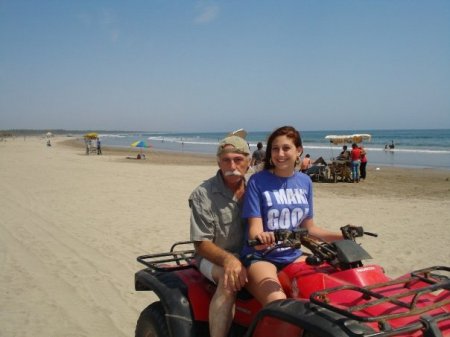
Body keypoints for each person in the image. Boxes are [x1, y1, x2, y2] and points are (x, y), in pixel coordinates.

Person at [240, 126, 344, 306]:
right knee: (279, 302)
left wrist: (342, 236)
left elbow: (309, 229)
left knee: (328, 294)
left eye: (286, 148)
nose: (280, 154)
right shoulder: (258, 181)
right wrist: (261, 237)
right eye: (275, 148)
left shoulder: (305, 182)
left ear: (299, 151)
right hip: (261, 257)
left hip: (293, 255)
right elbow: (253, 230)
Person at [189, 135, 251, 337]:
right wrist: (228, 259)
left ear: (248, 161)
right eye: (226, 160)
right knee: (228, 279)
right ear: (218, 162)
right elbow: (201, 243)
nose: (232, 165)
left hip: (251, 256)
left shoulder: (255, 189)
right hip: (212, 258)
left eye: (238, 159)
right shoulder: (203, 194)